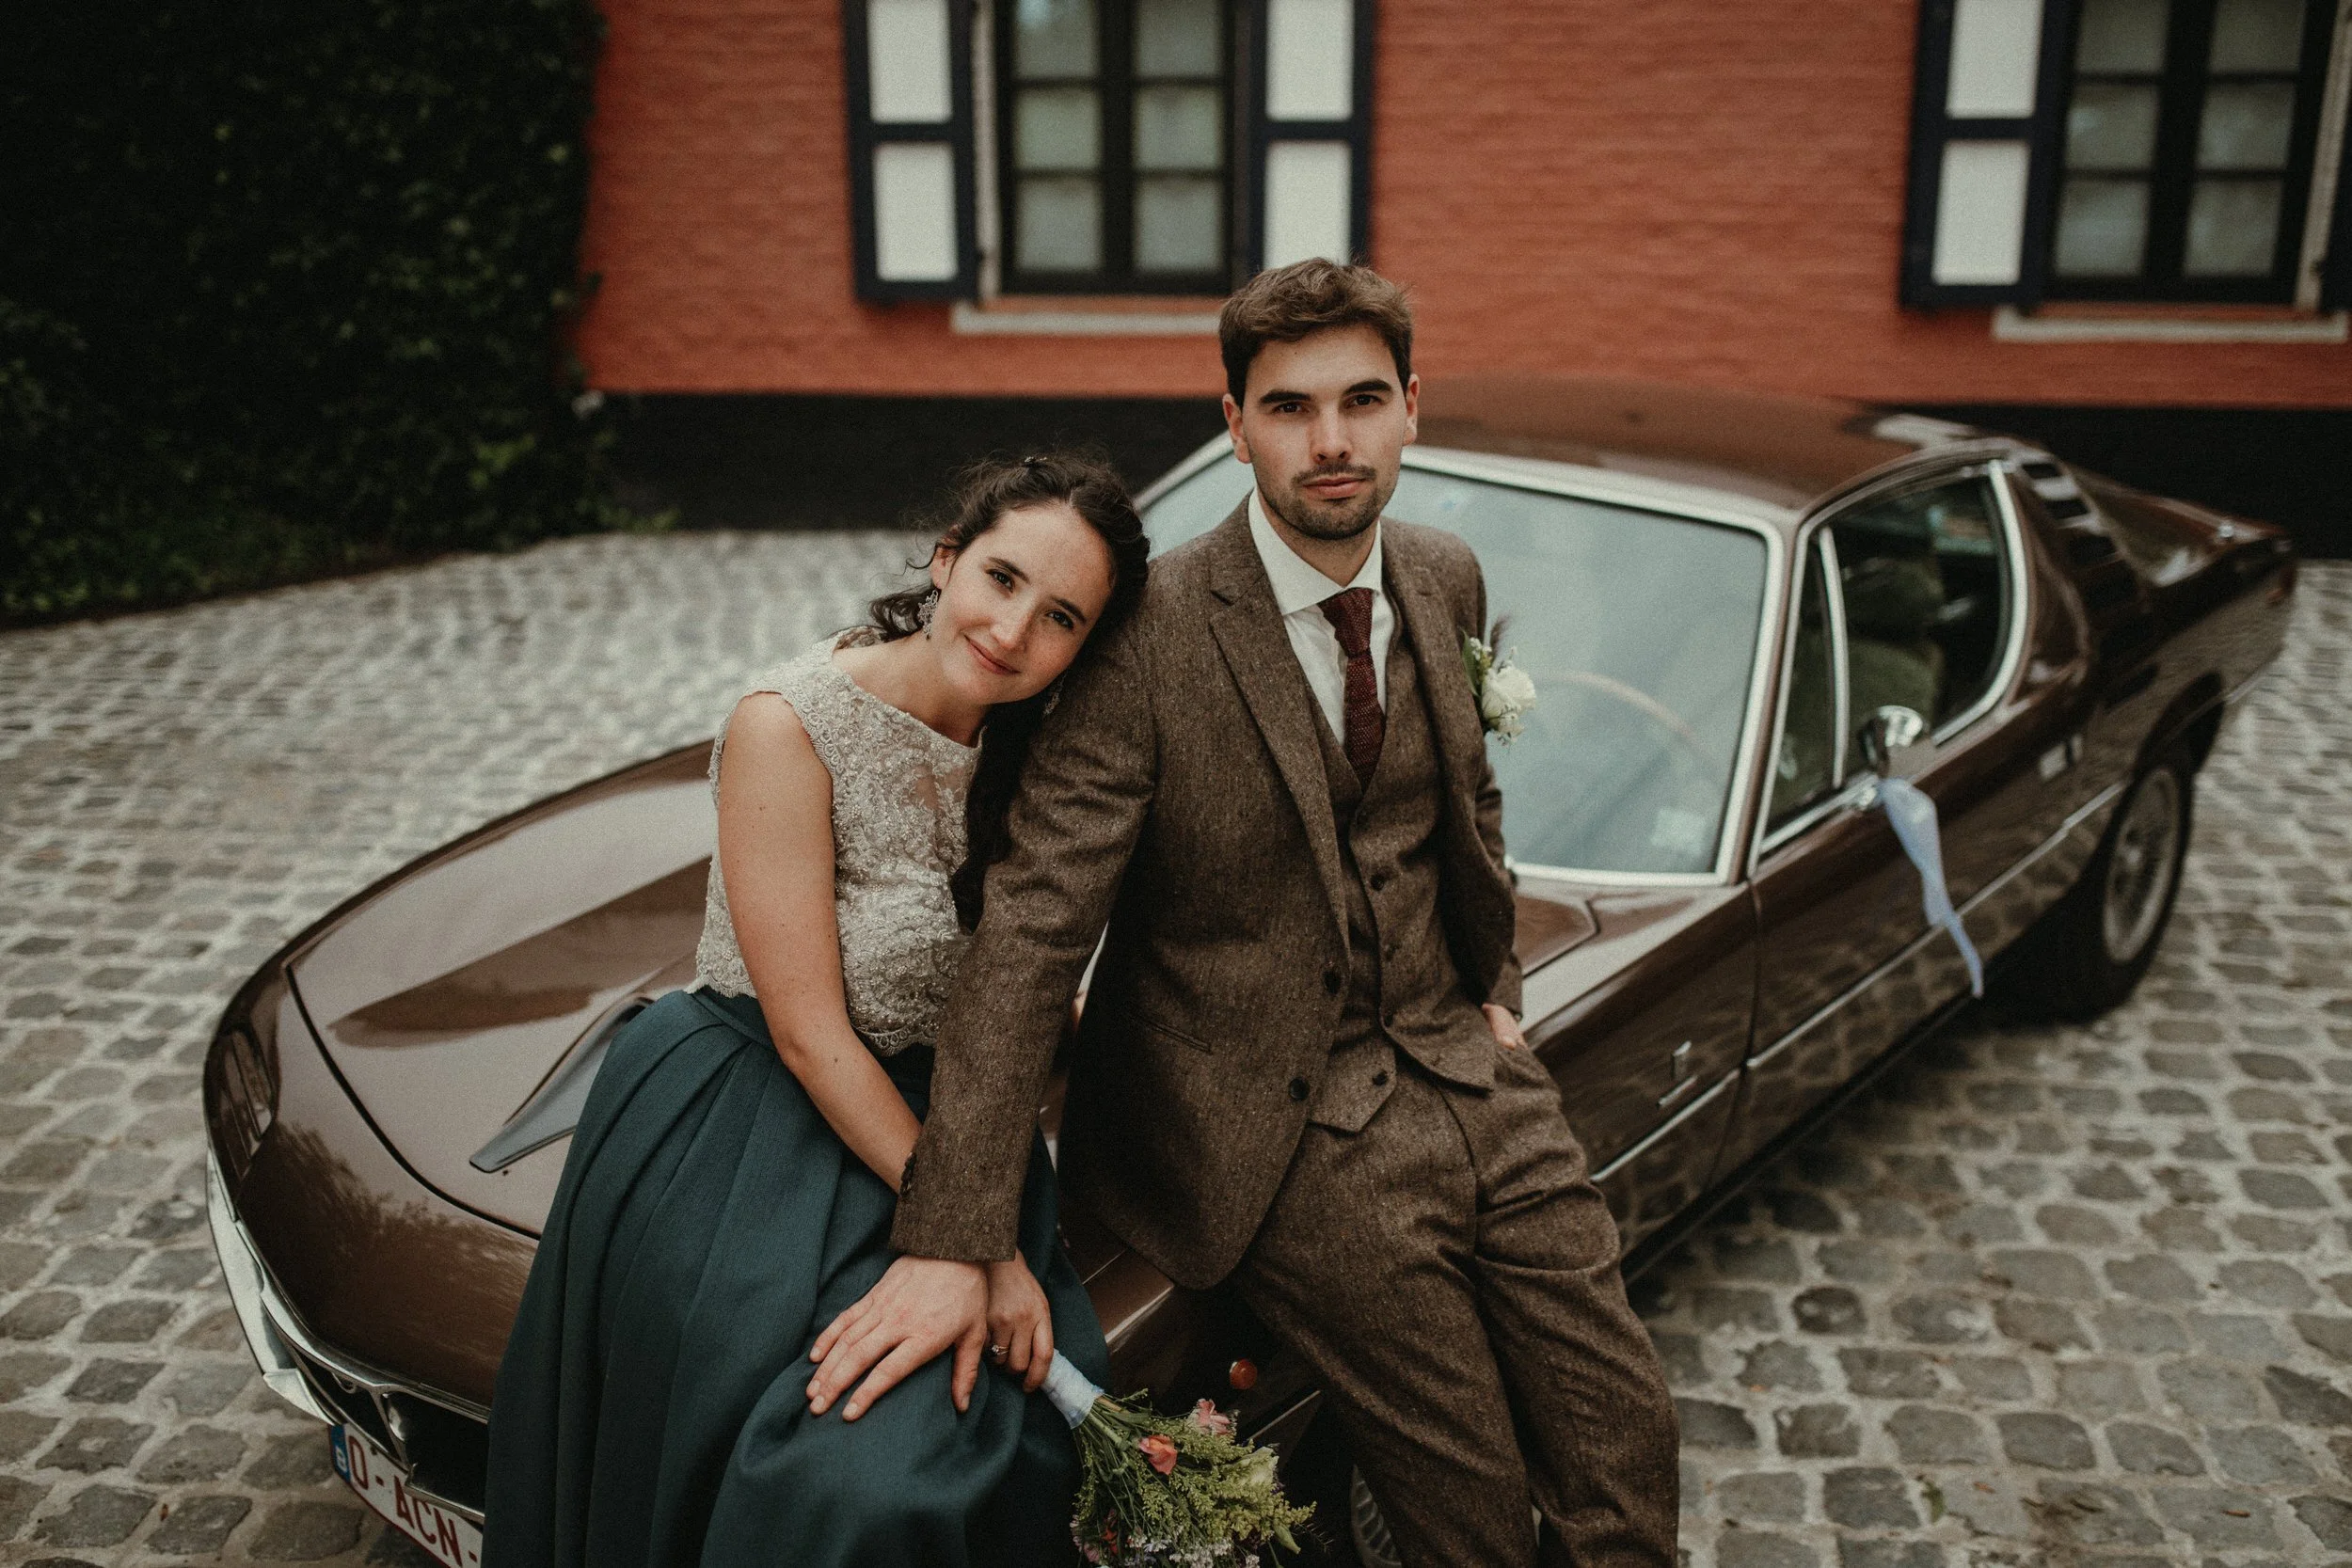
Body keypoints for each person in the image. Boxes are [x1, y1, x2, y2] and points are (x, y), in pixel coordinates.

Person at [806, 261, 1681, 1566]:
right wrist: (955, 1232)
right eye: (1290, 407)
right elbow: (1036, 928)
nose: (1330, 441)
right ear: (1236, 422)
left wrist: (1489, 977)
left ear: (1409, 410)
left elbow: (1465, 795)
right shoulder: (1148, 636)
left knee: (1628, 1446)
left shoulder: (1444, 573)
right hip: (1279, 1129)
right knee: (1471, 1506)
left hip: (1470, 1070)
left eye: (1361, 400)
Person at [481, 452, 1147, 1568]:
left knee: (967, 1440)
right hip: (753, 1109)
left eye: (1062, 615)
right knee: (788, 1443)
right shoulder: (786, 725)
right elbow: (808, 1031)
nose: (1013, 629)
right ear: (944, 558)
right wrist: (974, 1238)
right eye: (1000, 577)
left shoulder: (1048, 747)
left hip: (952, 1121)